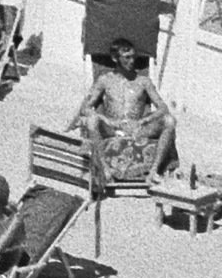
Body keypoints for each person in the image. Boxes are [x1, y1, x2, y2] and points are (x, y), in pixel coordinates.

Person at [72, 38, 177, 187]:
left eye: (134, 56)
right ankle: (105, 169)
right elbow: (85, 108)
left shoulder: (143, 81)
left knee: (170, 121)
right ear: (115, 58)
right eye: (127, 57)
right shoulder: (104, 80)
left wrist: (143, 121)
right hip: (112, 128)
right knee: (91, 120)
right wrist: (105, 119)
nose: (132, 61)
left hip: (137, 129)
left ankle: (154, 171)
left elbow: (163, 108)